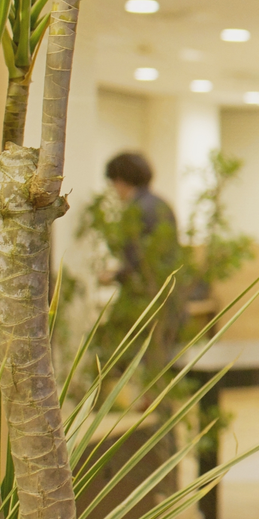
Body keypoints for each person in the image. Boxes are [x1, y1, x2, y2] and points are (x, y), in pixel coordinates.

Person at [101, 152, 183, 370]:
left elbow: (137, 263)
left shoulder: (135, 211)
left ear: (120, 180)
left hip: (144, 298)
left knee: (122, 355)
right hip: (169, 294)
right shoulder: (162, 204)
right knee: (161, 360)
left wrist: (114, 275)